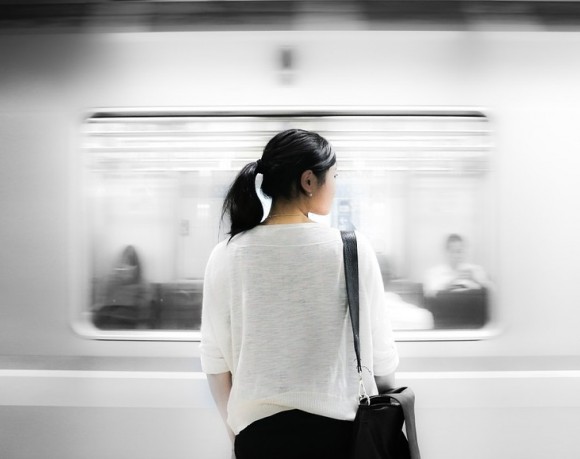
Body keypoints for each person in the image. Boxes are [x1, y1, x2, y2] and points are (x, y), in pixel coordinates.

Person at [200, 129, 399, 459]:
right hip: (342, 437)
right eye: (333, 176)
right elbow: (381, 357)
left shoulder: (225, 254)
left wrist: (235, 435)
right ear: (309, 181)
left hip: (258, 439)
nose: (335, 186)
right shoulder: (353, 249)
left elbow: (215, 360)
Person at [93, 245, 149, 329]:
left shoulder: (143, 287)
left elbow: (143, 318)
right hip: (109, 329)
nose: (126, 268)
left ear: (136, 268)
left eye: (130, 264)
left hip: (131, 331)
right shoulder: (110, 283)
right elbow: (101, 311)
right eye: (123, 263)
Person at [424, 234, 490, 298]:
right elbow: (429, 295)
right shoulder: (434, 273)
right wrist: (452, 280)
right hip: (443, 307)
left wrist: (475, 279)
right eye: (453, 251)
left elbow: (492, 293)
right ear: (446, 252)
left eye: (459, 251)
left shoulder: (474, 270)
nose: (457, 255)